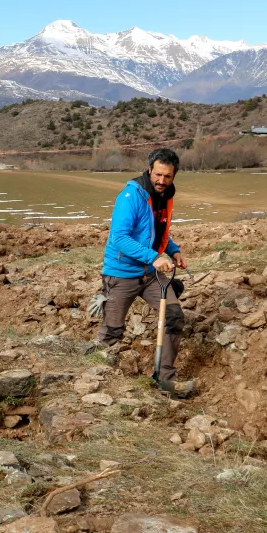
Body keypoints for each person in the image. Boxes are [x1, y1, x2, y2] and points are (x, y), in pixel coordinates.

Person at [96, 147, 196, 399]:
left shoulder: (165, 196)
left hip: (150, 274)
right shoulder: (131, 196)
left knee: (173, 317)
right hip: (121, 273)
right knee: (112, 332)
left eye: (168, 176)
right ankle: (97, 381)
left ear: (174, 176)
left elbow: (156, 230)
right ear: (149, 169)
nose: (162, 181)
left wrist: (173, 250)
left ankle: (165, 379)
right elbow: (119, 238)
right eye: (158, 175)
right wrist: (154, 257)